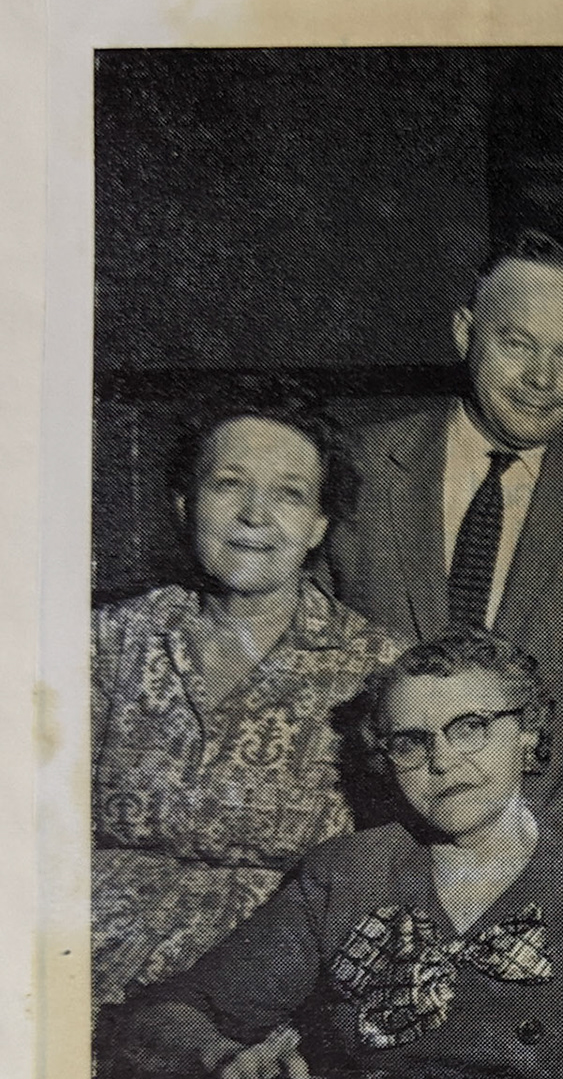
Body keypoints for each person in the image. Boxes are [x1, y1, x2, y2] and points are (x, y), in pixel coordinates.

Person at [113, 630, 563, 1079]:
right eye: (412, 741)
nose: (442, 760)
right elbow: (164, 1015)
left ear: (528, 734)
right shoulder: (347, 874)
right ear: (385, 761)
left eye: (468, 729)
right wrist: (224, 1057)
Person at [327, 229, 563, 847]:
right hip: (381, 843)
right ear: (464, 333)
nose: (541, 379)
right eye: (516, 345)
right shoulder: (360, 468)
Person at [92, 381, 404, 1008]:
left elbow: (396, 879)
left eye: (289, 494)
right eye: (229, 484)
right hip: (85, 987)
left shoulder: (379, 671)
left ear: (318, 526)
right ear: (184, 505)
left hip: (269, 1008)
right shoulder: (109, 642)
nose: (255, 515)